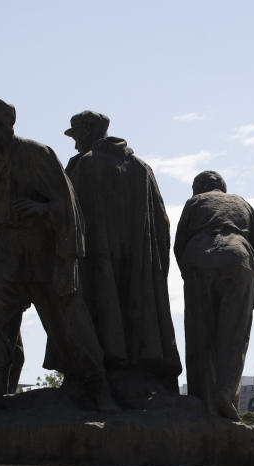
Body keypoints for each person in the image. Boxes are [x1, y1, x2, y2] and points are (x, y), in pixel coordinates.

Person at [0, 97, 115, 410]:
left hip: (44, 250)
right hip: (4, 251)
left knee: (67, 319)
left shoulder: (35, 154)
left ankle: (96, 388)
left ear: (5, 124)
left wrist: (42, 210)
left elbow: (68, 206)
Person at [63, 111, 181, 400]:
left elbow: (66, 213)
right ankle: (133, 366)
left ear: (89, 130)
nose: (75, 142)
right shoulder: (142, 168)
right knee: (132, 305)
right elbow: (162, 222)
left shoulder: (85, 164)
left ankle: (98, 372)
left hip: (94, 256)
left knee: (96, 305)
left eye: (76, 133)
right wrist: (155, 266)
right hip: (139, 261)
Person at [174, 171, 254, 419]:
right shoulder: (243, 204)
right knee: (234, 337)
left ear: (198, 189)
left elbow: (178, 245)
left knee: (200, 337)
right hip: (239, 260)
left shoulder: (195, 203)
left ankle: (202, 401)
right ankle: (225, 393)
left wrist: (190, 272)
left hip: (200, 260)